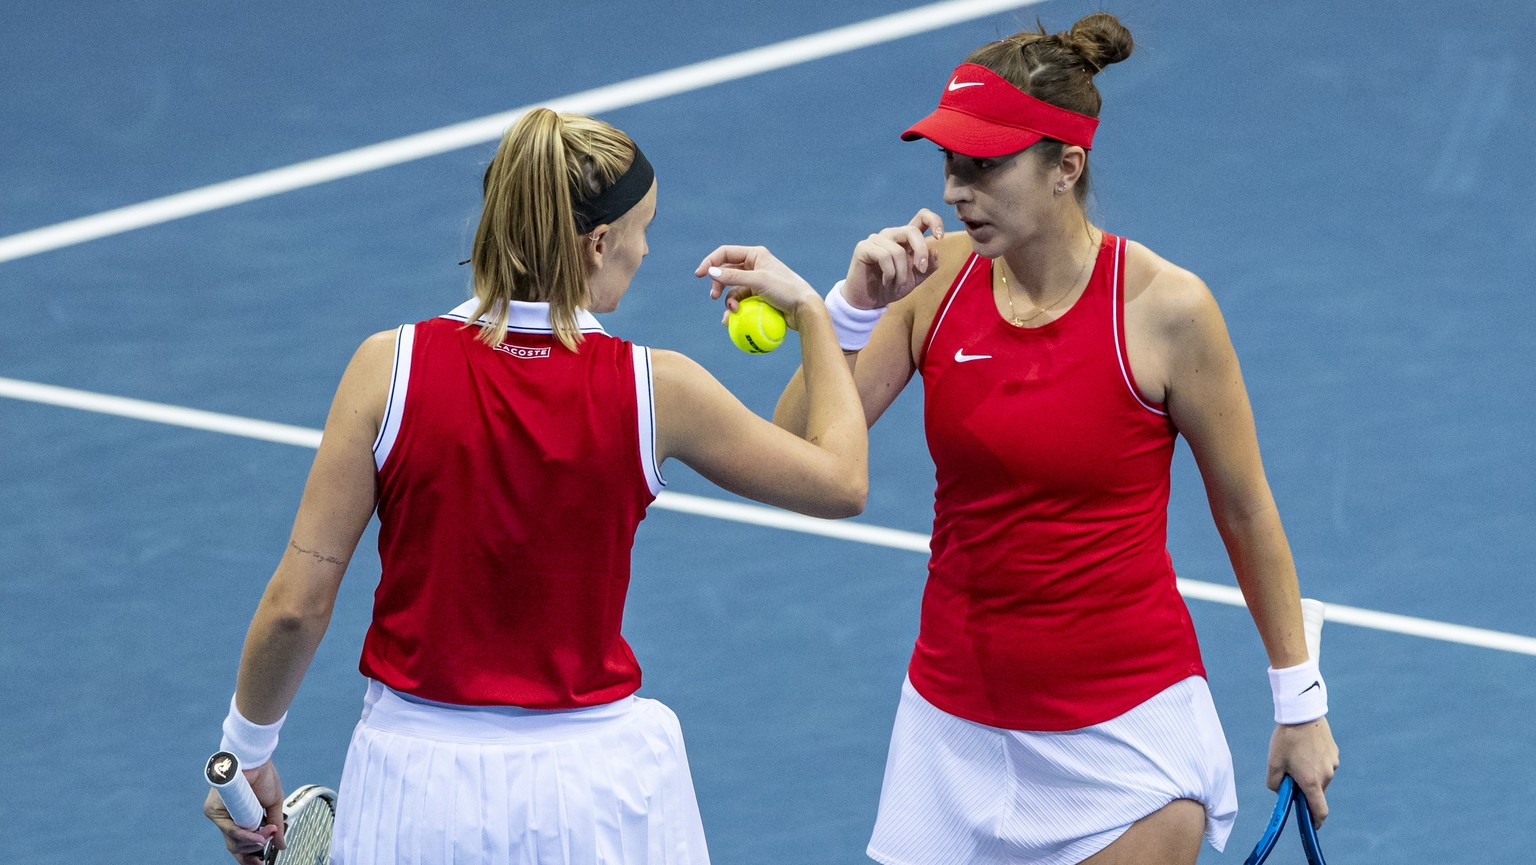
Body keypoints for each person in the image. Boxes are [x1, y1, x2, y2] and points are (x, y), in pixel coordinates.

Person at [202, 107, 868, 865]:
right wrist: (820, 313)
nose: (647, 248)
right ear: (597, 243)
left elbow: (297, 605)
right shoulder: (659, 389)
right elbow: (841, 480)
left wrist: (242, 751)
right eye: (642, 227)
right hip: (596, 798)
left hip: (416, 793)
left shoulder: (385, 368)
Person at [774, 13, 1338, 865]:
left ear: (1066, 167)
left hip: (1124, 738)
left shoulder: (1166, 310)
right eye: (950, 164)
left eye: (987, 165)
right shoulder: (930, 290)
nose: (959, 190)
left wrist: (1301, 703)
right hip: (950, 726)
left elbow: (1246, 510)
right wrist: (848, 308)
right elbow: (793, 459)